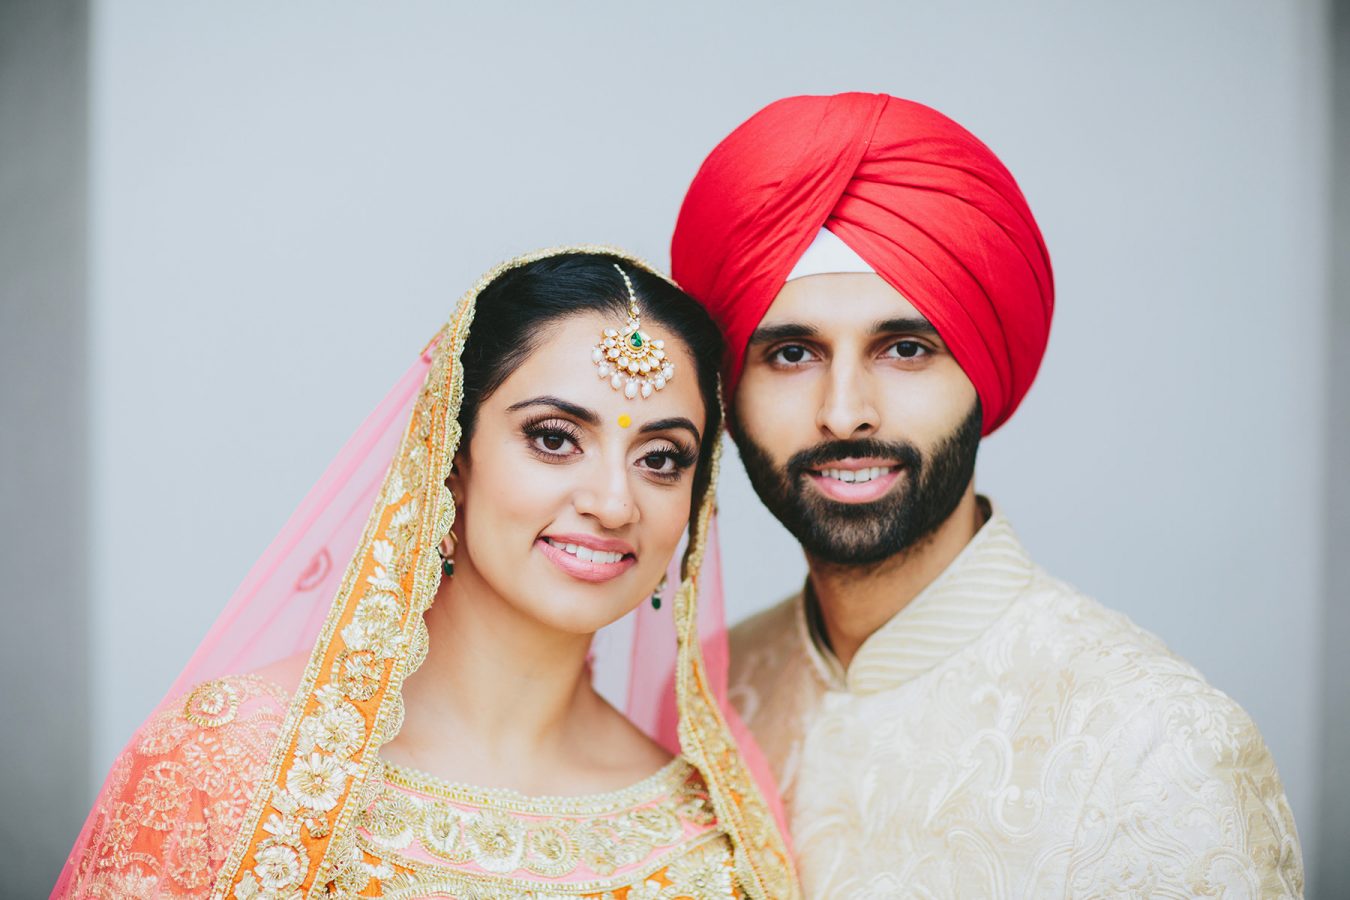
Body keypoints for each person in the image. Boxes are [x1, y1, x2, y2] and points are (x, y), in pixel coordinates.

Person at [671, 93, 1303, 898]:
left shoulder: (1155, 748)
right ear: (729, 396)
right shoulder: (707, 697)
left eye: (905, 349)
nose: (844, 411)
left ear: (981, 371)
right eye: (792, 354)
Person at [55, 248, 799, 899]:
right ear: (452, 461)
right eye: (553, 438)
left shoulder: (706, 840)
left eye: (661, 459)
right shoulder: (231, 762)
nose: (612, 501)